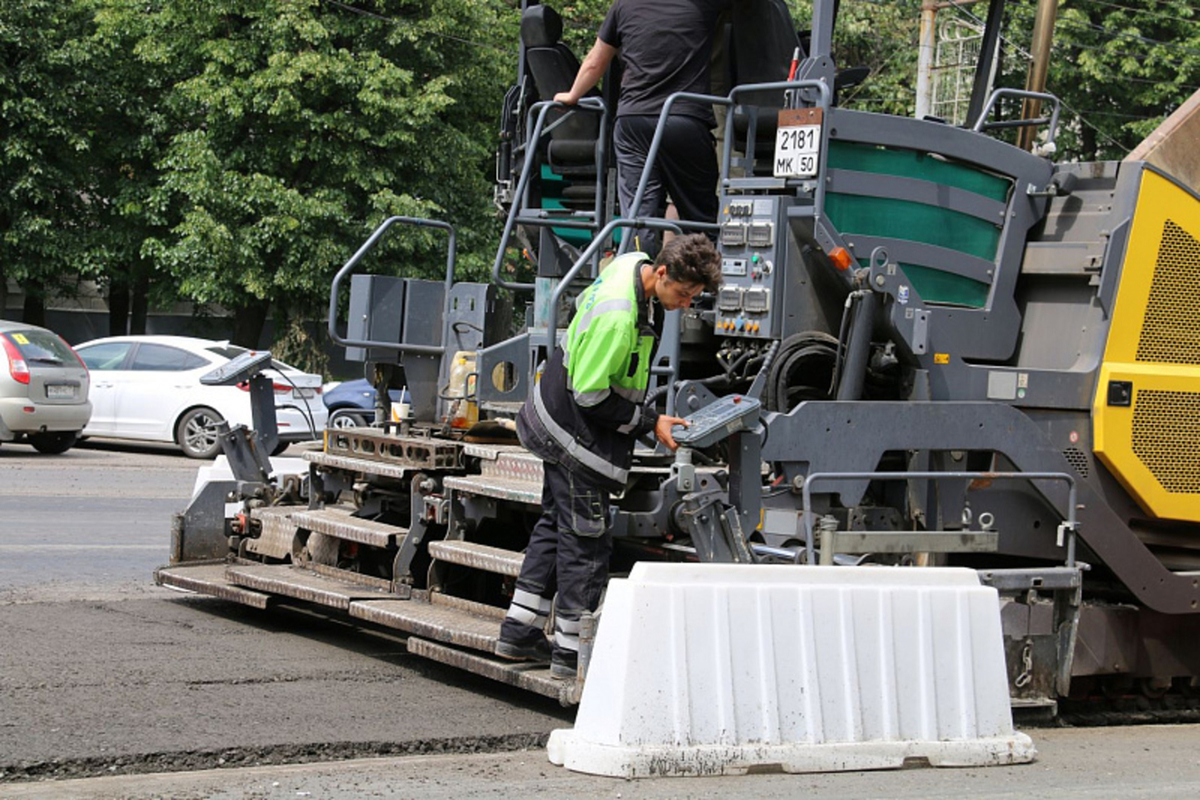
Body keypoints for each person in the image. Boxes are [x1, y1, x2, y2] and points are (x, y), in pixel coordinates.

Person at [496, 234, 723, 679]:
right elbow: (592, 397)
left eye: (694, 298)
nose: (684, 305)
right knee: (587, 539)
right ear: (661, 274)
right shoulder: (620, 320)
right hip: (573, 432)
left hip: (551, 413)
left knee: (554, 525)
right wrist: (649, 421)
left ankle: (518, 630)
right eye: (682, 294)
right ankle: (571, 653)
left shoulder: (631, 263)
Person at [553, 0, 731, 255]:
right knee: (700, 217)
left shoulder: (623, 6)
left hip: (632, 121)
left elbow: (595, 61)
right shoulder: (701, 5)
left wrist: (573, 95)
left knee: (637, 217)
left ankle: (637, 277)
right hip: (683, 118)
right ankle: (703, 282)